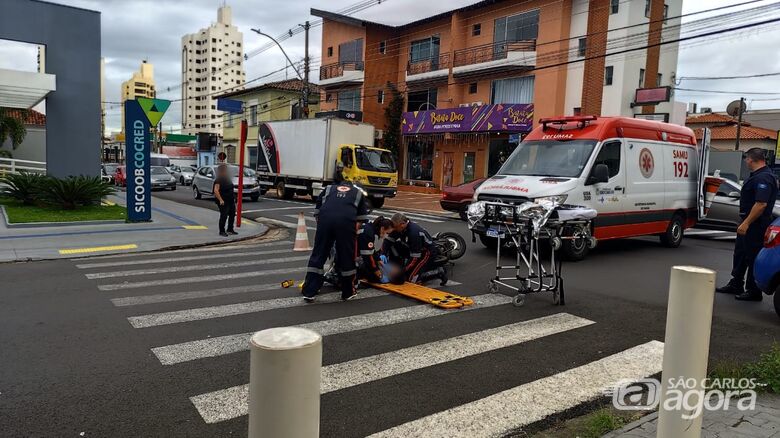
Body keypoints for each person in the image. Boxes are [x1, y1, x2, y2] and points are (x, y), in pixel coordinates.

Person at [716, 148, 778, 301]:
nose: (745, 162)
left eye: (746, 159)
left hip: (756, 224)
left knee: (752, 256)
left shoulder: (764, 178)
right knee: (741, 254)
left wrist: (746, 223)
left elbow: (761, 204)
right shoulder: (757, 176)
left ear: (751, 159)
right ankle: (736, 283)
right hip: (748, 222)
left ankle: (753, 290)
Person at [302, 180, 370, 302]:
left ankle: (309, 291)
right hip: (346, 224)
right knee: (346, 257)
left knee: (318, 254)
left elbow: (317, 213)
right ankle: (348, 292)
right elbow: (359, 222)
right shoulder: (357, 193)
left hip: (325, 222)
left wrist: (324, 230)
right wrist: (350, 236)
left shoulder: (329, 189)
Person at [388, 213, 447, 285]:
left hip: (427, 253)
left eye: (395, 227)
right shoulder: (400, 228)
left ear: (402, 224)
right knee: (395, 246)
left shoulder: (413, 233)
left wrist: (402, 270)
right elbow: (388, 241)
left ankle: (438, 272)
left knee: (412, 279)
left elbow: (414, 258)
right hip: (415, 250)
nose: (394, 229)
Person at [357, 216, 395, 283]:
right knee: (374, 276)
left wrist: (378, 260)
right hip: (350, 254)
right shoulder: (369, 233)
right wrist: (375, 270)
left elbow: (371, 250)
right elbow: (367, 255)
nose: (387, 236)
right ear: (382, 228)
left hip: (352, 252)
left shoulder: (369, 229)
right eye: (387, 233)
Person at [213, 164, 237, 237]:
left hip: (230, 200)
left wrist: (234, 198)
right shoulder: (218, 180)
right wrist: (220, 200)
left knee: (232, 215)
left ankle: (230, 229)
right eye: (225, 170)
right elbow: (216, 191)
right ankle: (222, 231)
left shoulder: (228, 179)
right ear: (221, 171)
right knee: (224, 215)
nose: (226, 172)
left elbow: (231, 188)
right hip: (223, 201)